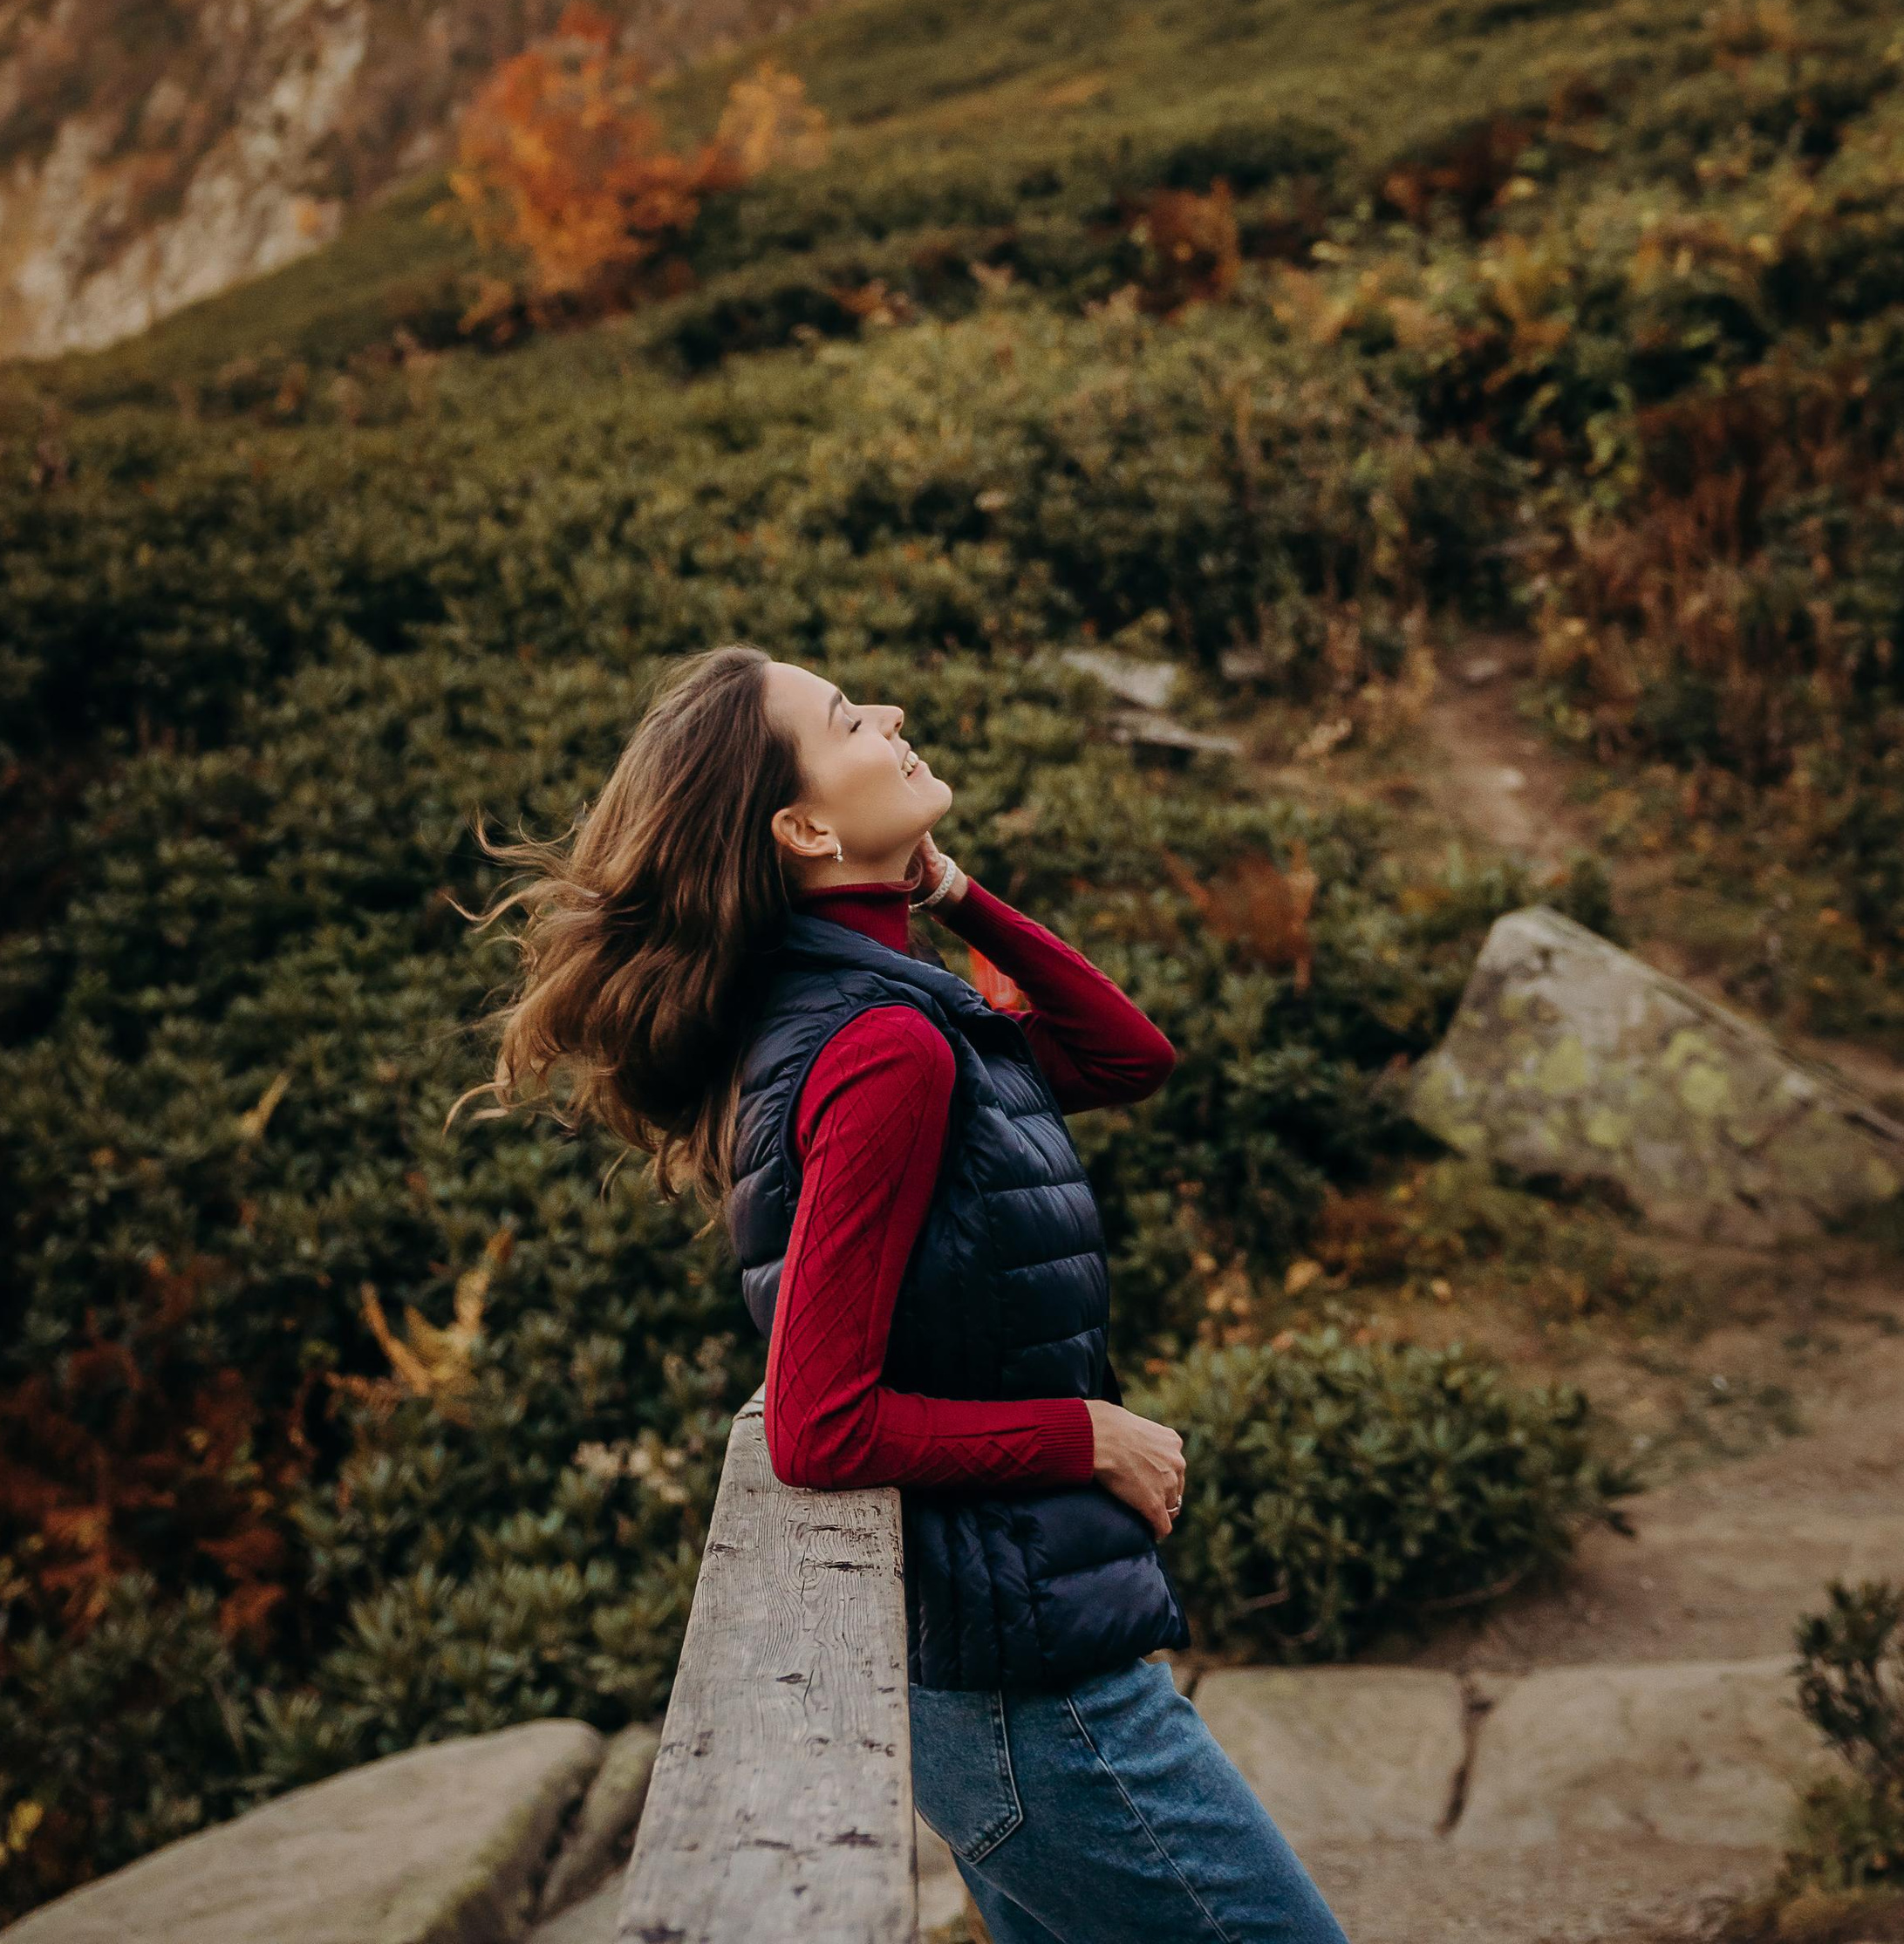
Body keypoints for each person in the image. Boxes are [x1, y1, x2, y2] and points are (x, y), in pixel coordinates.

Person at [489, 642, 1352, 1944]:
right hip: (1038, 1699)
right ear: (802, 826)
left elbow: (1128, 1057)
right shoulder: (883, 1047)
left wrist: (950, 890)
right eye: (846, 720)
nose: (889, 716)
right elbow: (820, 1428)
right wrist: (1087, 1435)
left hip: (1006, 1680)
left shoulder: (877, 1005)